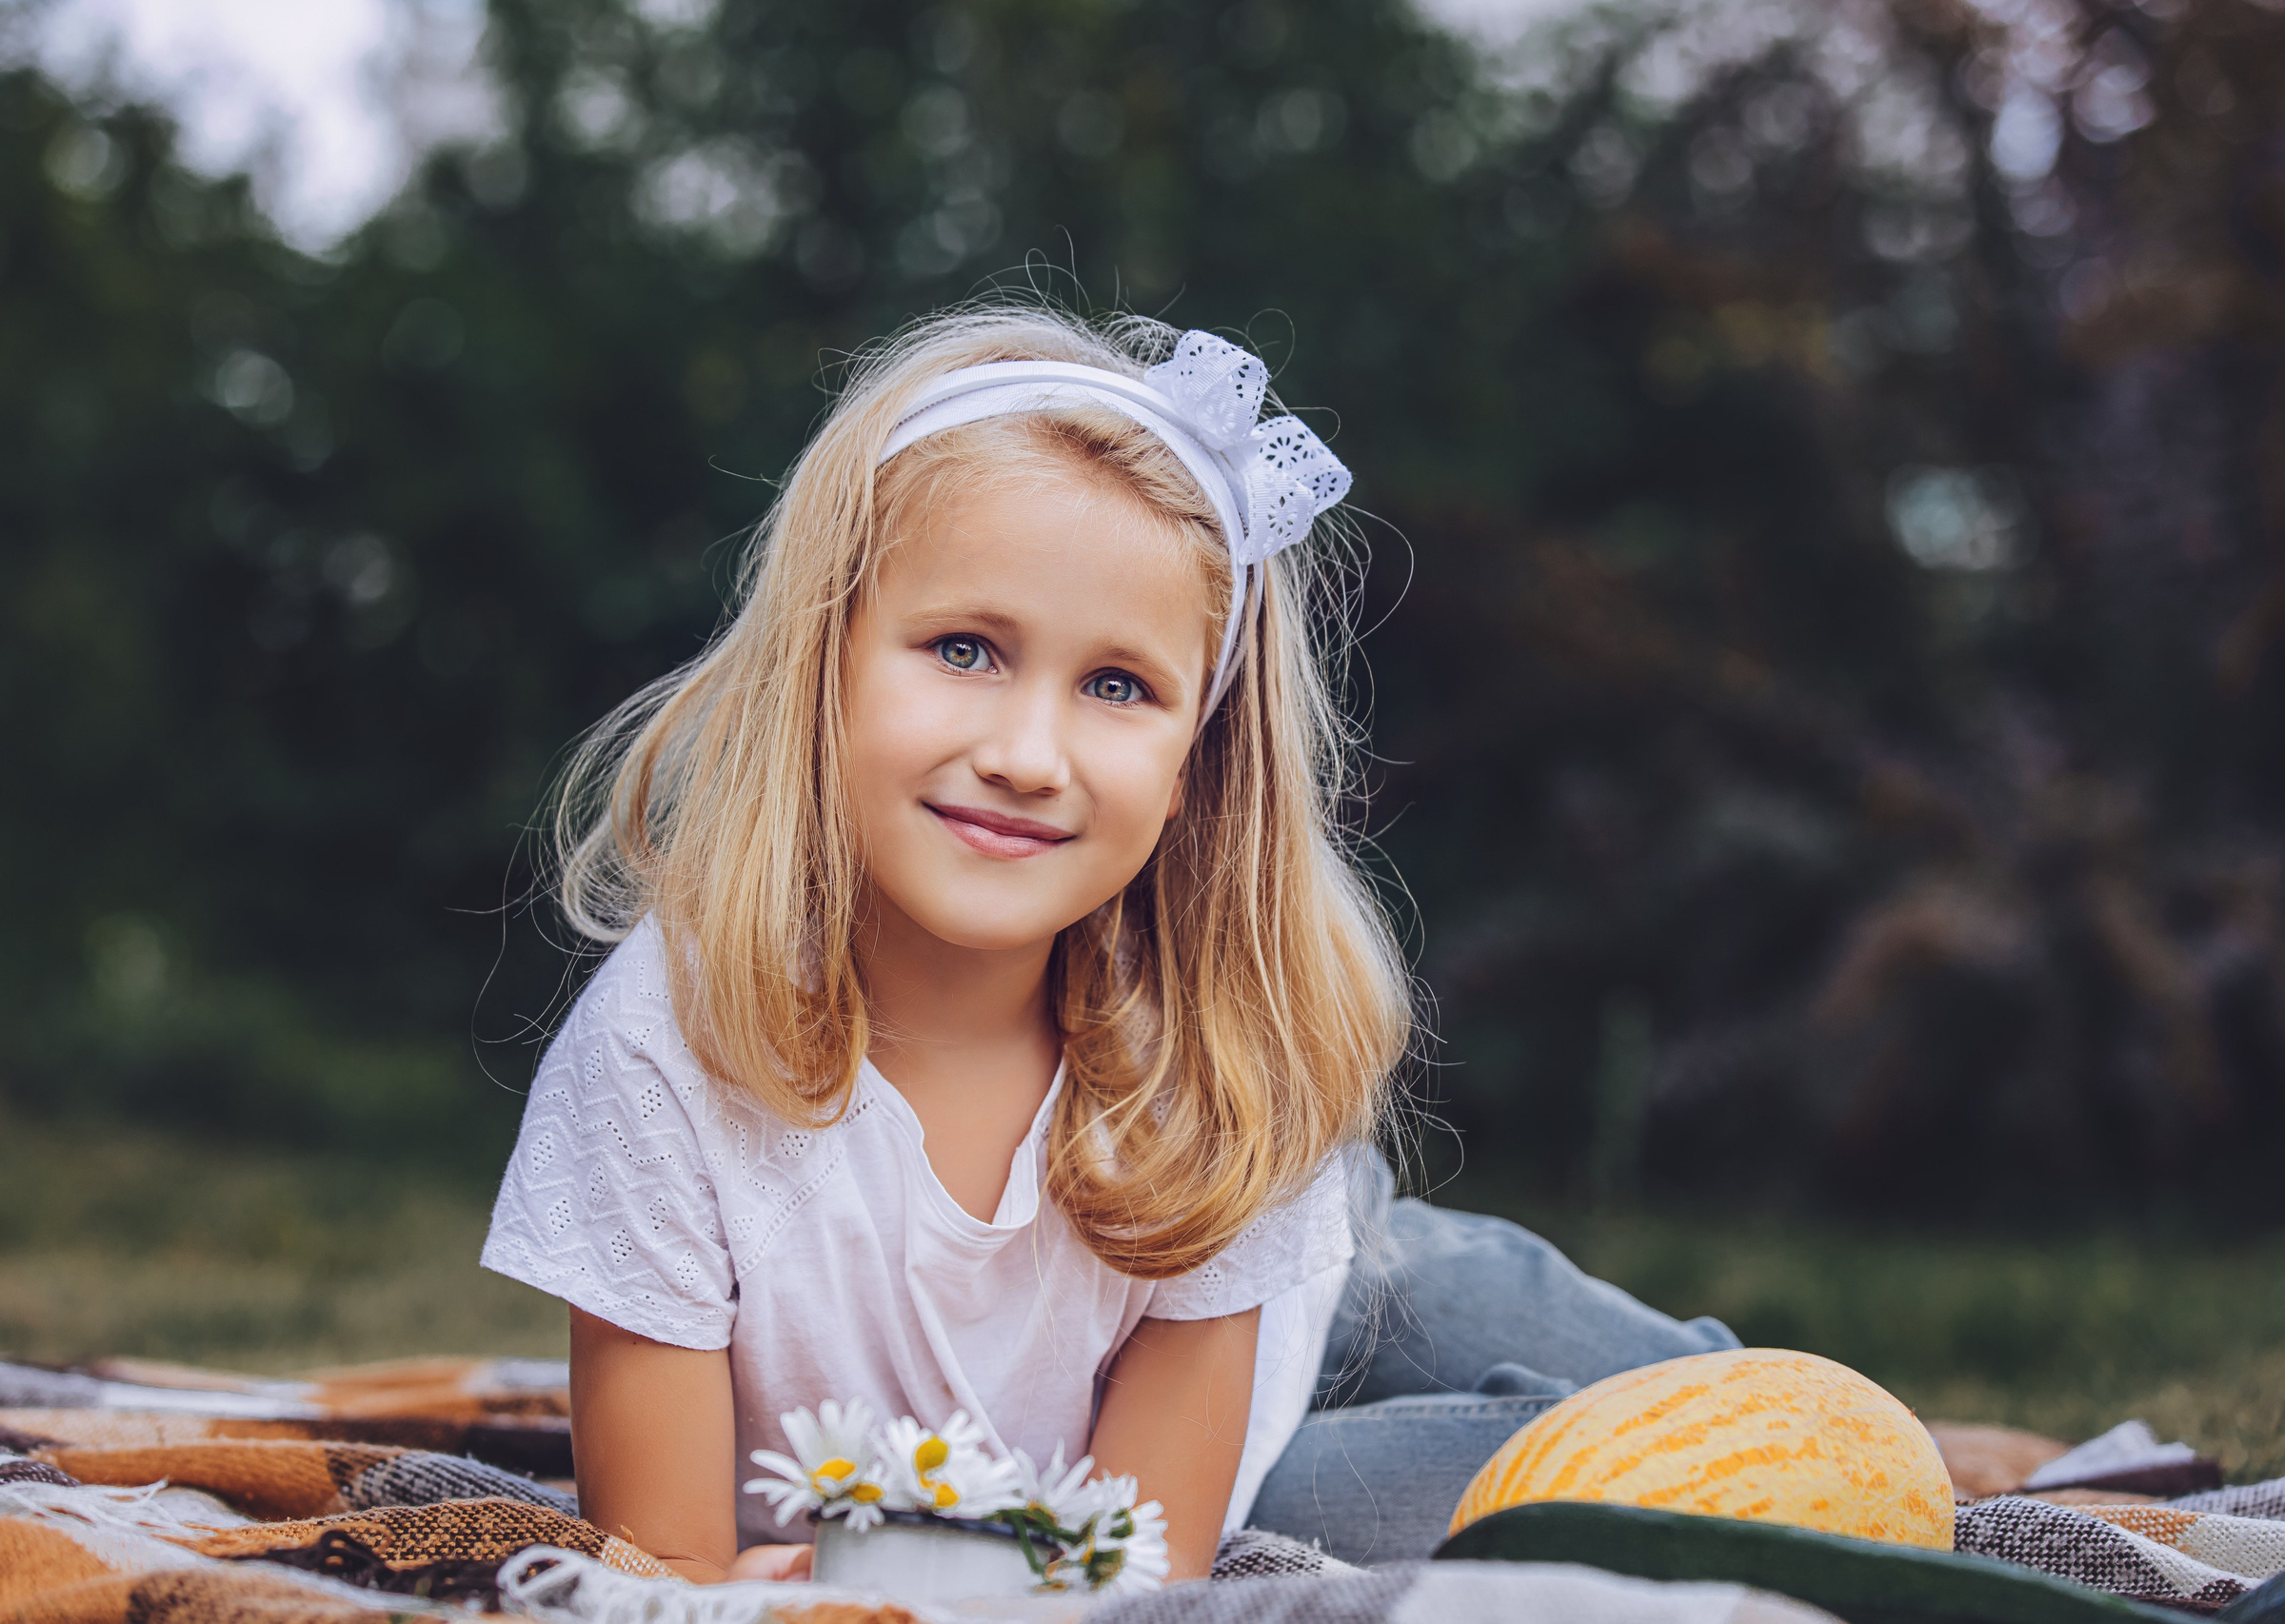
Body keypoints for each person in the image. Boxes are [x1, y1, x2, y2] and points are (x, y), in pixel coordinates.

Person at [480, 303, 1731, 1585]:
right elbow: (674, 1575)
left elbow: (1126, 1557)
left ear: (1197, 759)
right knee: (1612, 1509)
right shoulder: (663, 1047)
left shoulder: (1232, 1048)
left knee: (1742, 1417)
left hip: (1299, 1261)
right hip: (1229, 1469)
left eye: (1118, 686)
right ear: (824, 662)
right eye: (964, 649)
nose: (1026, 756)